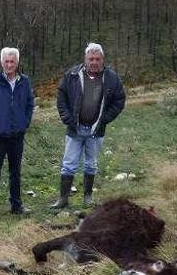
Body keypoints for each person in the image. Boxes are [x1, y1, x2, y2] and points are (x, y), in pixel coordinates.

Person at [50, 42, 126, 208]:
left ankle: (88, 197)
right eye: (90, 58)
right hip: (74, 128)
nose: (93, 62)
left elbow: (120, 100)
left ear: (102, 60)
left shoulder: (111, 78)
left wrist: (105, 118)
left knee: (91, 164)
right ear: (85, 59)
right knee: (69, 164)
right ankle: (63, 199)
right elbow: (61, 95)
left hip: (96, 130)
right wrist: (66, 116)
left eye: (97, 59)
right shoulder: (72, 74)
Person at [0, 47, 35, 222]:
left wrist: (25, 122)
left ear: (17, 63)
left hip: (17, 135)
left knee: (15, 172)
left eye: (12, 61)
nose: (9, 64)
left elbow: (29, 104)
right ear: (1, 62)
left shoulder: (24, 81)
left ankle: (16, 205)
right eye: (6, 61)